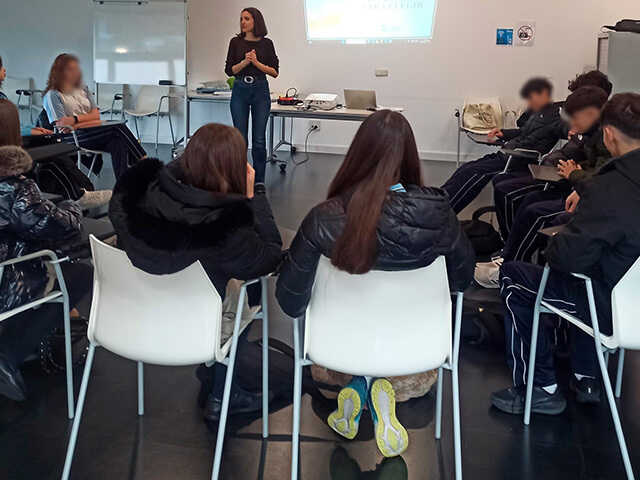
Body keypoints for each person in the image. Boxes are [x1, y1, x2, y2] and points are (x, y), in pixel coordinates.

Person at [276, 110, 474, 457]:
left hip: (339, 352)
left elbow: (290, 302)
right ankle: (379, 392)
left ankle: (360, 386)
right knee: (413, 384)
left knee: (325, 377)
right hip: (414, 355)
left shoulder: (324, 219)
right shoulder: (441, 219)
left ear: (357, 155)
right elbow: (462, 281)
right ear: (410, 156)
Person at [109, 123, 283, 422]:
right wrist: (254, 195)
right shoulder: (225, 228)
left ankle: (216, 374)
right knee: (246, 292)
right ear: (235, 168)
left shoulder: (133, 194)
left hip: (129, 319)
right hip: (193, 329)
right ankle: (223, 394)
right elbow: (270, 257)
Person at [491, 93, 640, 415]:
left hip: (613, 308)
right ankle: (586, 376)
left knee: (517, 277)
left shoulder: (610, 187)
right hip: (631, 303)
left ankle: (539, 387)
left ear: (609, 133)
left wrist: (557, 242)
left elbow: (566, 258)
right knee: (596, 267)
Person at [0, 101, 93, 401]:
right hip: (9, 277)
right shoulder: (13, 187)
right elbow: (57, 225)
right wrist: (71, 206)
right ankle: (9, 353)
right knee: (79, 273)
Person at [475, 86, 611, 288]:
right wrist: (577, 166)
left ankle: (510, 269)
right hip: (577, 186)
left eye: (576, 118)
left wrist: (575, 173)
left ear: (592, 113)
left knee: (536, 212)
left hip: (589, 198)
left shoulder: (607, 138)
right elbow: (595, 167)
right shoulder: (591, 134)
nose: (572, 124)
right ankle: (509, 257)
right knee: (530, 201)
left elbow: (604, 176)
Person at [491, 71, 613, 238]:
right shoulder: (584, 130)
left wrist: (575, 170)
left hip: (567, 181)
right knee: (506, 186)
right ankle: (508, 243)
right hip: (558, 171)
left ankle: (511, 245)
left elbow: (600, 172)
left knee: (524, 203)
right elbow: (588, 163)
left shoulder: (602, 136)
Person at [442, 78, 564, 214]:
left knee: (473, 172)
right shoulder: (538, 114)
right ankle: (438, 204)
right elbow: (522, 129)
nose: (529, 100)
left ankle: (442, 213)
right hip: (506, 154)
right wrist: (503, 133)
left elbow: (565, 130)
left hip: (517, 160)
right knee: (465, 168)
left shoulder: (557, 116)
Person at [42, 53, 146, 180]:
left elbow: (96, 115)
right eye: (70, 69)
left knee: (117, 142)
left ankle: (124, 185)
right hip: (70, 137)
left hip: (88, 131)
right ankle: (144, 162)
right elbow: (63, 126)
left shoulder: (83, 89)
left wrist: (75, 120)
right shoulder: (53, 94)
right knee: (117, 128)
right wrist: (85, 120)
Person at [225, 7, 279, 184]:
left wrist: (256, 62)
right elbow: (229, 70)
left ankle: (259, 181)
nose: (243, 22)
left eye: (247, 18)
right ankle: (240, 179)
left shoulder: (267, 43)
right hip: (240, 89)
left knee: (259, 140)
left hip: (260, 90)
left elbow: (274, 72)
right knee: (240, 139)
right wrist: (244, 62)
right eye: (241, 18)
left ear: (256, 21)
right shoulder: (235, 42)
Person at [0, 56, 52, 136]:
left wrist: (32, 129)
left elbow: (12, 126)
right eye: (1, 66)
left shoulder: (2, 97)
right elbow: (5, 130)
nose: (4, 69)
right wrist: (30, 132)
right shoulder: (2, 100)